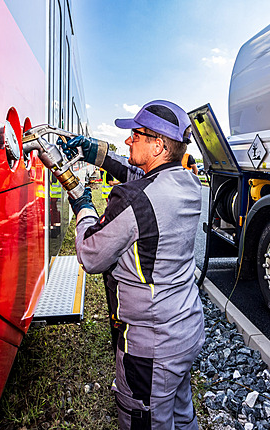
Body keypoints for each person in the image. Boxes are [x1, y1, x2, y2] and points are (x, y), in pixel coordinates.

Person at [61, 100, 204, 430]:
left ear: (157, 144)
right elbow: (142, 176)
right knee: (181, 417)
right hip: (186, 331)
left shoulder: (134, 200)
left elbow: (91, 255)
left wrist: (82, 204)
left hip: (150, 349)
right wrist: (95, 152)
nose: (127, 140)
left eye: (135, 135)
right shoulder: (188, 183)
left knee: (146, 421)